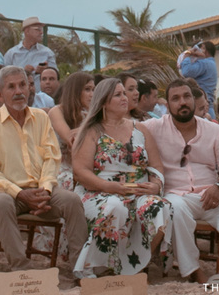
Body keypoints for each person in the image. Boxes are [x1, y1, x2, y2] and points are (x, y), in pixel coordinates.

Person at [0, 66, 87, 277]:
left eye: (22, 85)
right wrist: (19, 193)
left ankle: (80, 269)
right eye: (11, 87)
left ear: (29, 88)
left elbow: (51, 158)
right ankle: (22, 271)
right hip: (9, 194)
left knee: (72, 201)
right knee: (0, 202)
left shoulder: (41, 118)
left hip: (41, 192)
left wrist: (45, 189)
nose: (18, 91)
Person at [144, 79, 219, 286]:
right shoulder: (153, 128)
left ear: (194, 100)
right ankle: (193, 270)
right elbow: (123, 128)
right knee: (174, 207)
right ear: (167, 105)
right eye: (175, 98)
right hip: (177, 195)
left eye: (186, 97)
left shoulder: (214, 130)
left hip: (212, 193)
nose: (182, 102)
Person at [71, 78, 171, 278]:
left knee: (160, 207)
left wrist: (155, 185)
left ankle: (135, 265)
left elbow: (156, 166)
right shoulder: (92, 131)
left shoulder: (140, 129)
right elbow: (80, 171)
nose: (124, 98)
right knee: (115, 206)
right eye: (118, 95)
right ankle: (98, 267)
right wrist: (111, 187)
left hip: (138, 190)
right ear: (104, 102)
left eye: (124, 93)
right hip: (99, 191)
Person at [4, 16, 56, 86]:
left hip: (41, 95)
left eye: (41, 29)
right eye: (38, 29)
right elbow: (4, 76)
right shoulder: (12, 54)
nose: (41, 32)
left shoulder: (47, 53)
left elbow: (56, 75)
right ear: (27, 31)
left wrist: (46, 71)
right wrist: (23, 72)